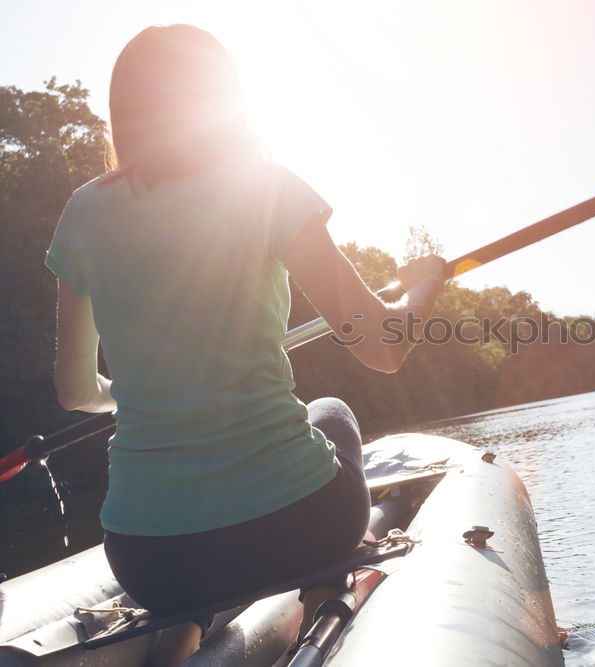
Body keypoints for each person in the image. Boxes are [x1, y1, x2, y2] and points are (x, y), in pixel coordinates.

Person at [45, 24, 445, 666]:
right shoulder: (265, 186)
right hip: (299, 526)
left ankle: (182, 625)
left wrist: (132, 393)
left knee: (189, 536)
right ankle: (324, 591)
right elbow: (384, 347)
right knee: (334, 412)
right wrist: (423, 290)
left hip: (150, 558)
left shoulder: (85, 212)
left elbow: (74, 392)